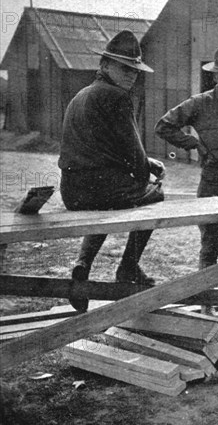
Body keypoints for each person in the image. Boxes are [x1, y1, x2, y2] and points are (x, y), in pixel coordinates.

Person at [58, 30, 165, 313]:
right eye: (124, 68)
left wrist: (145, 163)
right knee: (155, 196)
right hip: (102, 188)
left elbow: (103, 149)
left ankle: (83, 263)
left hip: (71, 191)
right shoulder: (116, 97)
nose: (132, 75)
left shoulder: (81, 95)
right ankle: (128, 266)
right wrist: (146, 174)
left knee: (112, 203)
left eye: (135, 70)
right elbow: (132, 152)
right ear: (104, 65)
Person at [155, 44, 218, 274]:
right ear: (215, 76)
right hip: (213, 181)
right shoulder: (200, 103)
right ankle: (206, 303)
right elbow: (163, 126)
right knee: (210, 245)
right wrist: (194, 144)